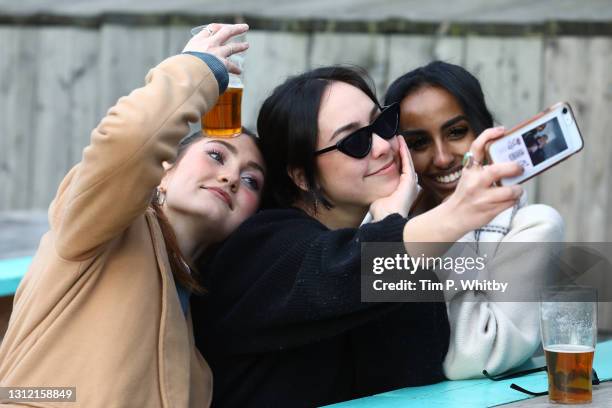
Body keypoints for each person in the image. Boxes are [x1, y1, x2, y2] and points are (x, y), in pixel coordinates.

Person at [191, 65, 525, 407]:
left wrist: (394, 220)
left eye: (382, 124)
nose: (382, 146)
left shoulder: (371, 239)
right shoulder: (258, 246)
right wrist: (454, 212)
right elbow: (332, 271)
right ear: (302, 176)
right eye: (355, 141)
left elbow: (417, 370)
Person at [0, 23, 264, 407]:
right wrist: (195, 68)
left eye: (252, 179)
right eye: (215, 155)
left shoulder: (197, 354)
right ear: (166, 170)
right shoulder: (104, 225)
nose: (230, 177)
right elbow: (127, 141)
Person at [384, 60, 564, 380]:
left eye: (456, 132)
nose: (441, 157)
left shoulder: (535, 227)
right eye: (419, 143)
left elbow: (475, 357)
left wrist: (448, 227)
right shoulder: (387, 217)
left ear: (484, 131)